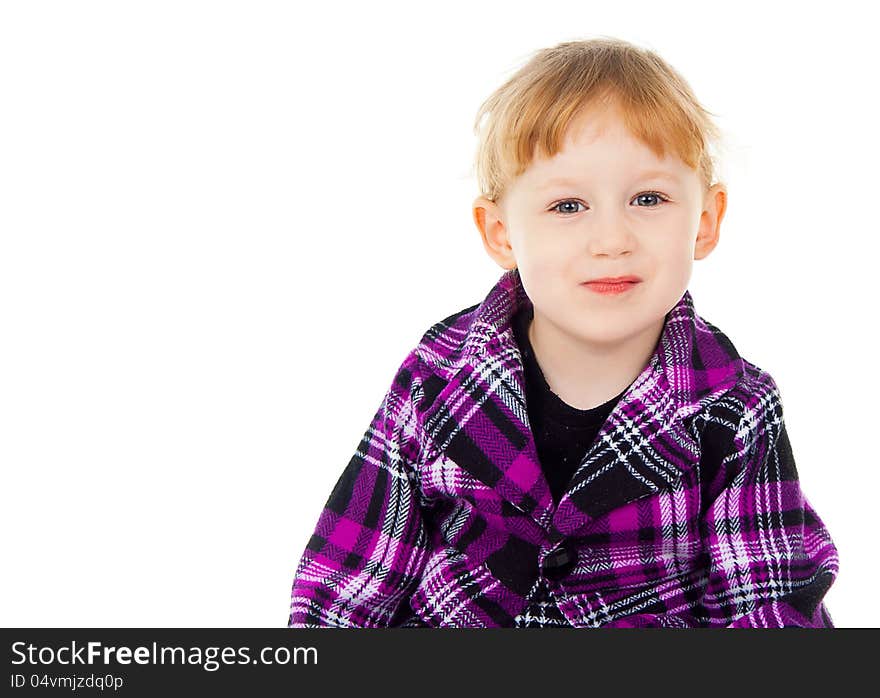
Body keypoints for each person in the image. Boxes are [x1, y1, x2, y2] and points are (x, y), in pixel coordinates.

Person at [286, 37, 840, 628]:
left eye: (647, 199)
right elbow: (352, 571)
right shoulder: (438, 376)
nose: (610, 240)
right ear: (500, 233)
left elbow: (769, 597)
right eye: (568, 206)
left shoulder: (733, 405)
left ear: (704, 223)